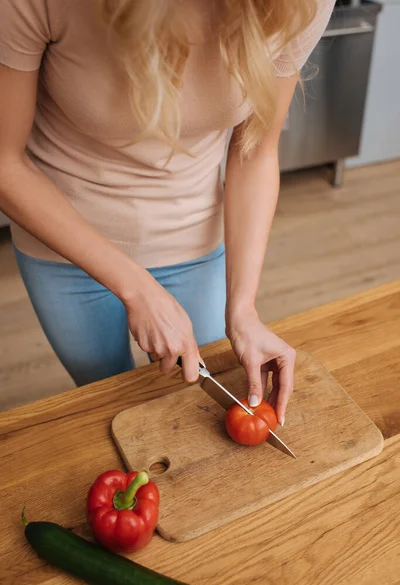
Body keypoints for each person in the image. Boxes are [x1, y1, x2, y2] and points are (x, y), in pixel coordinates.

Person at [0, 0, 335, 425]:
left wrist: (244, 308)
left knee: (190, 402)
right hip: (63, 245)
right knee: (107, 398)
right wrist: (136, 288)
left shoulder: (301, 4)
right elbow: (4, 163)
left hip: (194, 235)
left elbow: (254, 152)